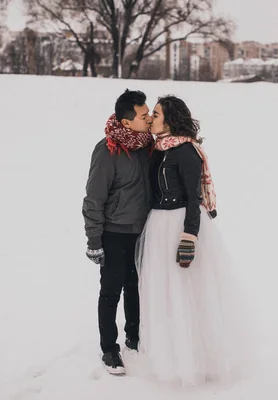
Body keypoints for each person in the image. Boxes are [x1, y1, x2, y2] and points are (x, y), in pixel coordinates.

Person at [136, 95, 244, 386]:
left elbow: (194, 197)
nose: (152, 119)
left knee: (188, 294)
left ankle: (199, 359)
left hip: (180, 225)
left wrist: (189, 236)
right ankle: (169, 356)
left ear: (169, 121)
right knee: (165, 294)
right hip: (158, 225)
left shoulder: (186, 151)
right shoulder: (157, 149)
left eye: (156, 115)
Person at [82, 89, 153, 375]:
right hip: (114, 233)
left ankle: (134, 338)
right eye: (144, 115)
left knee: (136, 287)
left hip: (143, 232)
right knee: (111, 290)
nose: (149, 119)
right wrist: (94, 240)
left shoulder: (148, 146)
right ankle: (109, 349)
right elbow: (93, 199)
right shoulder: (107, 150)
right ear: (127, 122)